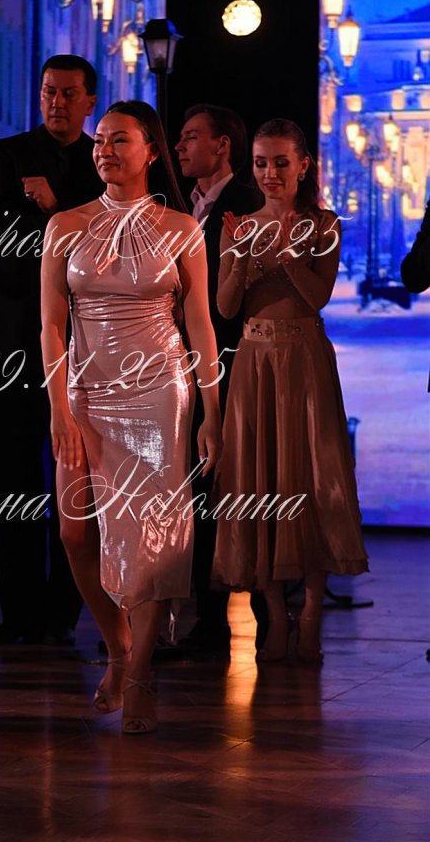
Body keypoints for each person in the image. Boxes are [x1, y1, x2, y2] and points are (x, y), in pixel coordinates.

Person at [41, 100, 221, 733]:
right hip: (87, 392)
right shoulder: (65, 225)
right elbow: (51, 326)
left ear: (151, 151)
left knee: (151, 537)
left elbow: (200, 324)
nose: (105, 150)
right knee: (74, 532)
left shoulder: (182, 228)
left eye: (120, 140)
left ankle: (140, 672)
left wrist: (212, 410)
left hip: (159, 390)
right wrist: (58, 406)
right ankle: (118, 646)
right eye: (100, 141)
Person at [212, 118, 368, 663]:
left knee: (312, 477)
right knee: (261, 480)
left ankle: (311, 614)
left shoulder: (323, 224)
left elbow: (318, 295)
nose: (270, 173)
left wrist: (283, 254)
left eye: (281, 162)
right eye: (260, 163)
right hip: (255, 362)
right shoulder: (239, 225)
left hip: (304, 362)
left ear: (304, 165)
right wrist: (242, 257)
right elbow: (225, 307)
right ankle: (276, 616)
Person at [0, 54, 104, 647]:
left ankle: (62, 614)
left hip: (83, 344)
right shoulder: (5, 155)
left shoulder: (104, 160)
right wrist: (67, 222)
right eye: (49, 91)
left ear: (89, 100)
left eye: (69, 93)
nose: (56, 102)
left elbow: (106, 250)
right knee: (11, 479)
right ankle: (18, 613)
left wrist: (51, 209)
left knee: (77, 481)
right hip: (9, 337)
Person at [175, 103, 266, 656]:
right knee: (197, 487)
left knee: (228, 486)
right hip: (183, 364)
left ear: (222, 145)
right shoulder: (183, 204)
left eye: (191, 137)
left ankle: (236, 619)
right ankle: (203, 618)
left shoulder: (247, 204)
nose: (180, 146)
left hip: (232, 362)